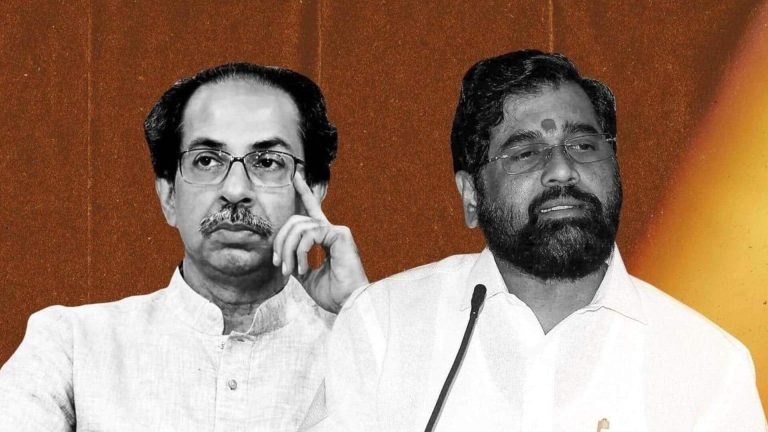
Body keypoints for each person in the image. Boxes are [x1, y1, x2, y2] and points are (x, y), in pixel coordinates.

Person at [313, 50, 766, 431]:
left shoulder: (707, 365)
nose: (562, 170)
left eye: (583, 146)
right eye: (526, 153)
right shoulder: (385, 328)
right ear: (471, 195)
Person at [0, 63, 368, 431]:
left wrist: (360, 312)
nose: (235, 190)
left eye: (267, 162)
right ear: (169, 196)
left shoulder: (364, 345)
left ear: (313, 192)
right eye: (206, 161)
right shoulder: (73, 346)